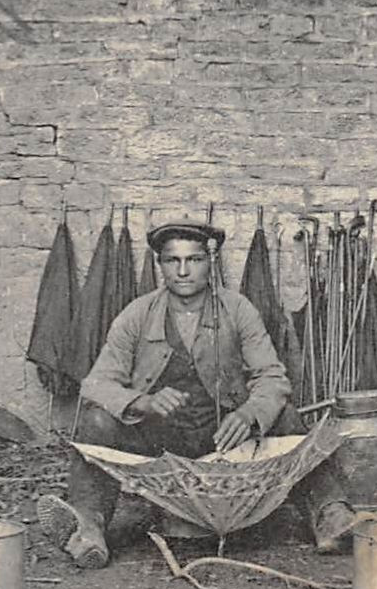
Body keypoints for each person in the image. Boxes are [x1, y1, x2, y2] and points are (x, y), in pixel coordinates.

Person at [38, 221, 292, 568]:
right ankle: (87, 528)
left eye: (195, 260)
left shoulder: (238, 309)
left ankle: (329, 513)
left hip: (222, 440)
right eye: (173, 261)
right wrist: (143, 402)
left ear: (210, 262)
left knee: (287, 416)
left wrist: (248, 414)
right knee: (95, 419)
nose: (184, 270)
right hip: (158, 441)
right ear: (160, 265)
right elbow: (96, 384)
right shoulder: (137, 314)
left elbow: (272, 377)